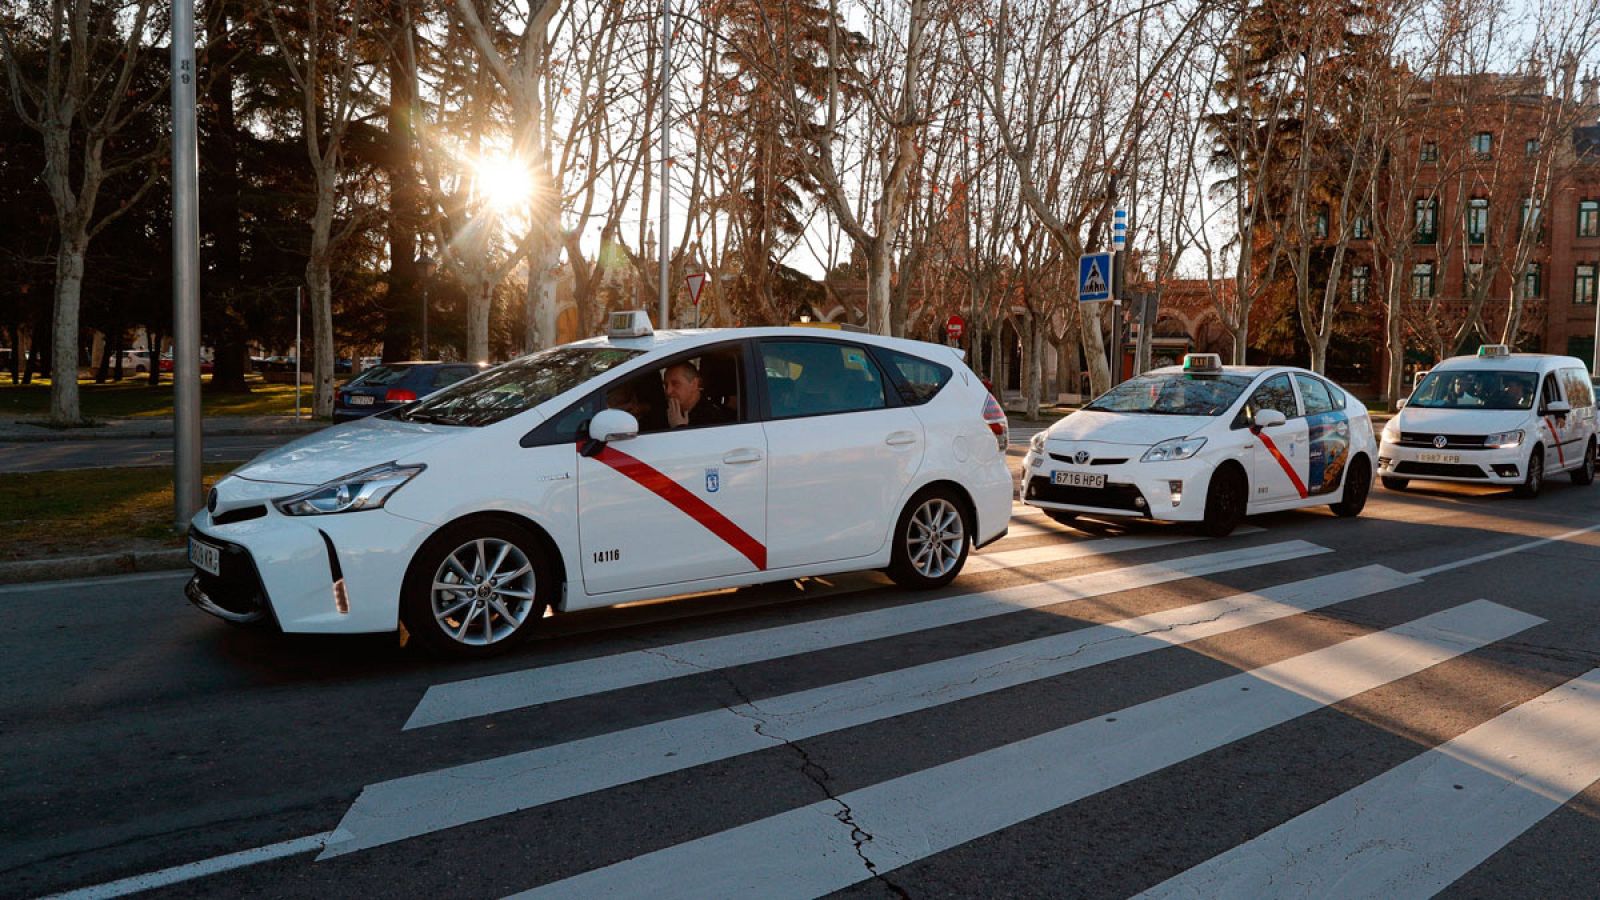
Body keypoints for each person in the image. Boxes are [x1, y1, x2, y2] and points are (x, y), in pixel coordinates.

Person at [663, 360, 735, 427]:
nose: (668, 391)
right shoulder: (667, 414)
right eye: (666, 385)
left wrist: (679, 427)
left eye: (675, 384)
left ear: (694, 384)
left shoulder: (713, 419)